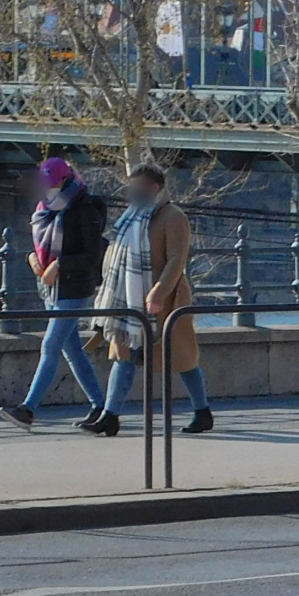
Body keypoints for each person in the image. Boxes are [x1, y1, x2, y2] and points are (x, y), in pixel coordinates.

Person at [90, 162, 214, 436]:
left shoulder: (173, 216)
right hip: (128, 303)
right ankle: (110, 416)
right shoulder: (132, 216)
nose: (133, 191)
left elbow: (176, 260)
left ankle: (202, 411)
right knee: (123, 354)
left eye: (139, 186)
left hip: (167, 302)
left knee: (183, 359)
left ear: (155, 187)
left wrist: (159, 291)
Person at [0, 156, 106, 430]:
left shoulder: (85, 209)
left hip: (74, 289)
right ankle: (102, 407)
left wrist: (60, 265)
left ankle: (28, 409)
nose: (47, 188)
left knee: (50, 345)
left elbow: (92, 256)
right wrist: (34, 259)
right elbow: (41, 246)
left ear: (65, 180)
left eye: (51, 183)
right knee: (72, 350)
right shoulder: (44, 208)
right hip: (52, 290)